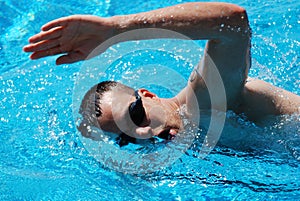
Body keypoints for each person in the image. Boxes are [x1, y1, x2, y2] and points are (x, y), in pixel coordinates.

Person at [23, 2, 300, 143]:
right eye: (127, 139)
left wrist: (115, 30)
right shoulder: (190, 138)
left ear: (148, 94)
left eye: (135, 115)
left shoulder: (204, 103)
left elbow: (232, 22)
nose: (144, 133)